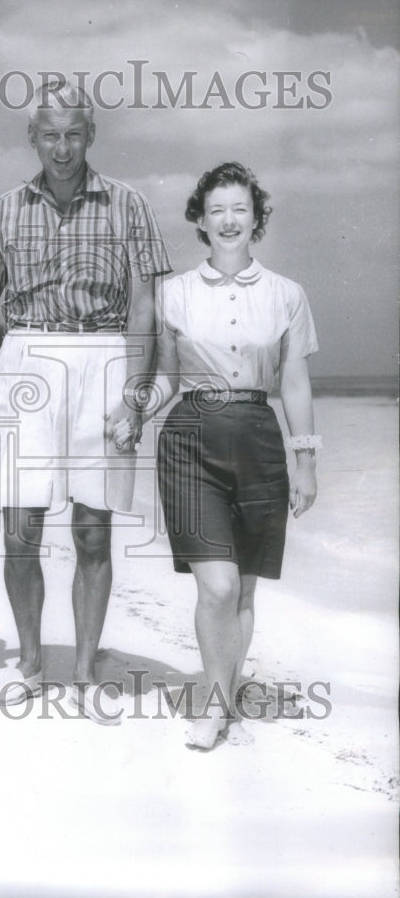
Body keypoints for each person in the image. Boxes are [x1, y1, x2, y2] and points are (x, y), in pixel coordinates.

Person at [0, 81, 170, 723]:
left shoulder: (130, 205)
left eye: (74, 133)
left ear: (90, 135)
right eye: (50, 134)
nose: (63, 147)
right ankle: (30, 664)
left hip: (102, 357)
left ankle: (83, 669)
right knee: (21, 528)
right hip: (23, 360)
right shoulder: (1, 211)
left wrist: (136, 391)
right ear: (32, 137)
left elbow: (145, 306)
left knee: (93, 529)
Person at [132, 161, 319, 750]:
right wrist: (136, 406)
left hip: (260, 439)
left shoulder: (288, 294)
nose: (229, 219)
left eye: (240, 208)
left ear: (256, 217)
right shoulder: (173, 294)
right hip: (190, 438)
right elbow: (165, 377)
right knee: (215, 586)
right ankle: (214, 705)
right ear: (201, 221)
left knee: (243, 590)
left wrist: (306, 459)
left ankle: (227, 692)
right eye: (217, 210)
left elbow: (293, 382)